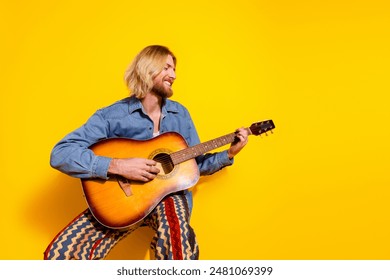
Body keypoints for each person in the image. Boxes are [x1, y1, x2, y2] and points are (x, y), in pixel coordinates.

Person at [44, 45, 249, 260]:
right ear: (148, 68)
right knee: (62, 252)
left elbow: (195, 165)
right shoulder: (112, 115)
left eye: (175, 69)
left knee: (177, 239)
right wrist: (118, 166)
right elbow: (61, 153)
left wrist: (229, 154)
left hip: (168, 199)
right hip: (123, 201)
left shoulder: (180, 114)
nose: (174, 75)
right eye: (167, 67)